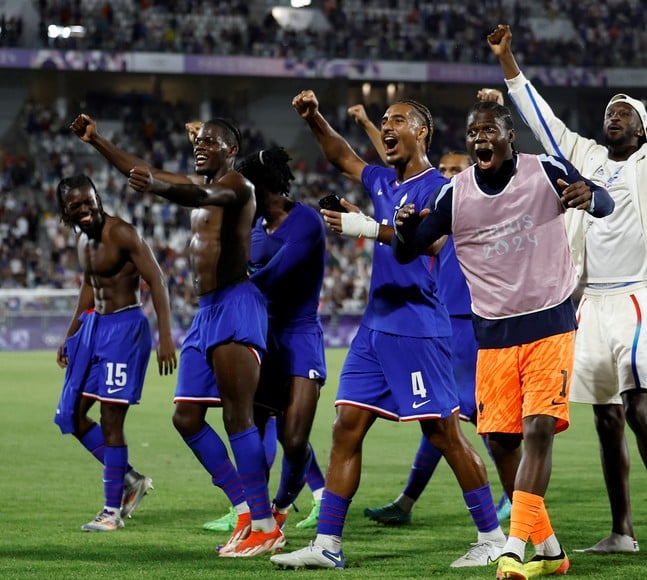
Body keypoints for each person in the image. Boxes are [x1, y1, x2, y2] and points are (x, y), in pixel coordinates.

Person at [485, 8, 647, 555]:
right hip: (589, 303)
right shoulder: (584, 157)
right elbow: (543, 122)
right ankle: (622, 531)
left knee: (636, 407)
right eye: (610, 111)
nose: (614, 117)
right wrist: (509, 62)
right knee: (606, 419)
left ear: (642, 127)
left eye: (625, 112)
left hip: (635, 296)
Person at [271, 91, 505, 571]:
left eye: (398, 119)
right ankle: (328, 544)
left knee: (444, 434)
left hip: (418, 328)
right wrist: (315, 117)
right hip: (374, 329)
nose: (388, 125)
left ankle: (492, 536)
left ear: (422, 132)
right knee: (345, 428)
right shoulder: (382, 180)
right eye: (384, 120)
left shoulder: (439, 188)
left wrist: (364, 226)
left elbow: (426, 242)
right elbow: (342, 155)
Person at [393, 99, 614, 579]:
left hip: (550, 326)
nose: (479, 139)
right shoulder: (456, 194)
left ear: (509, 137)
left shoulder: (544, 170)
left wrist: (589, 197)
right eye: (473, 132)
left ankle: (514, 548)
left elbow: (603, 201)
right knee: (499, 440)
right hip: (492, 338)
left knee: (538, 431)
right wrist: (404, 228)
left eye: (488, 130)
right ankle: (551, 551)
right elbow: (411, 250)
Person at [70, 114, 283, 556]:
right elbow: (140, 170)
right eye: (199, 140)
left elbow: (194, 191)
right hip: (205, 312)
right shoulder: (200, 181)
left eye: (212, 141)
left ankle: (265, 525)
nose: (201, 146)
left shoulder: (237, 186)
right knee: (186, 417)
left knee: (237, 417)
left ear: (231, 150)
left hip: (236, 304)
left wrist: (157, 187)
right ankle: (244, 508)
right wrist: (97, 141)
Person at [344, 104, 513, 524]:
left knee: (481, 422)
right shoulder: (431, 210)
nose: (450, 176)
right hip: (444, 320)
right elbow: (391, 174)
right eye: (446, 169)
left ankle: (520, 505)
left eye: (459, 170)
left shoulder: (469, 208)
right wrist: (370, 125)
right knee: (442, 419)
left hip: (474, 324)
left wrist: (367, 228)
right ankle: (408, 501)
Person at [54, 174, 176, 532]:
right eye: (75, 205)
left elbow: (157, 279)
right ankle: (129, 479)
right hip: (95, 329)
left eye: (88, 200)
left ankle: (112, 511)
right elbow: (89, 290)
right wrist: (71, 334)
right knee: (72, 416)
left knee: (111, 420)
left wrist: (165, 335)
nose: (85, 209)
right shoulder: (81, 241)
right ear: (66, 211)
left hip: (125, 329)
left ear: (97, 198)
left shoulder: (122, 233)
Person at [240, 146, 329, 533]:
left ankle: (280, 504)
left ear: (265, 187)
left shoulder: (306, 221)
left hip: (300, 335)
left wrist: (228, 285)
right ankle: (258, 515)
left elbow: (272, 276)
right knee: (252, 433)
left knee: (294, 440)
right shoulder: (253, 227)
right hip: (261, 337)